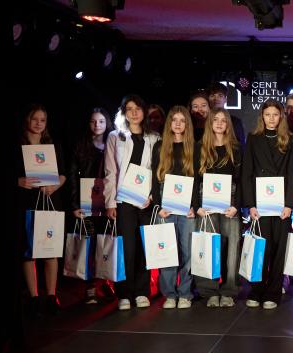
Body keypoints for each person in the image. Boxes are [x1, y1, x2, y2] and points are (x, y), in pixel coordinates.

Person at [104, 95, 161, 310]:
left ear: (144, 111)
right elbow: (110, 171)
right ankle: (125, 293)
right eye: (129, 109)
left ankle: (142, 291)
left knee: (144, 246)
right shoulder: (115, 137)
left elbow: (158, 170)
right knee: (126, 247)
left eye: (138, 108)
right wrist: (110, 202)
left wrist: (152, 196)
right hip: (124, 200)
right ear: (124, 112)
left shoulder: (154, 137)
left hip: (146, 200)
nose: (134, 112)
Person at [242, 99, 293, 309]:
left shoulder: (290, 139)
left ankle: (273, 293)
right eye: (267, 115)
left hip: (281, 204)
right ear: (262, 117)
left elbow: (292, 173)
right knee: (260, 249)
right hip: (260, 204)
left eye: (275, 114)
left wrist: (289, 204)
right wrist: (250, 205)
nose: (271, 118)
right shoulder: (253, 138)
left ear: (281, 116)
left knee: (279, 250)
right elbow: (247, 173)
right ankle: (256, 291)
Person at [15, 104, 67, 315]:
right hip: (27, 202)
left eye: (42, 120)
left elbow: (63, 173)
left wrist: (55, 186)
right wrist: (19, 181)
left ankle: (51, 296)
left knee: (50, 249)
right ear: (27, 120)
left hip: (49, 201)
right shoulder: (18, 145)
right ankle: (34, 297)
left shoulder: (52, 145)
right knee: (29, 251)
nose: (38, 123)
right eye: (34, 119)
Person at [150, 105, 200, 309]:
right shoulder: (160, 147)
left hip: (187, 207)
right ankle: (170, 294)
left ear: (187, 124)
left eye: (182, 120)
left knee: (188, 252)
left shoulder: (194, 147)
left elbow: (197, 181)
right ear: (169, 123)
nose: (178, 124)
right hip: (166, 205)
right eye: (174, 120)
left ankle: (185, 293)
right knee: (168, 251)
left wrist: (194, 206)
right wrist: (157, 206)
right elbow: (155, 179)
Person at [195, 108, 242, 308]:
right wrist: (196, 205)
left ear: (228, 124)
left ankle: (229, 291)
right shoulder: (200, 147)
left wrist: (237, 205)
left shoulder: (236, 148)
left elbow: (242, 180)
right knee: (209, 246)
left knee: (232, 247)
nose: (220, 123)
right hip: (205, 202)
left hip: (230, 201)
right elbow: (193, 178)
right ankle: (209, 290)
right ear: (210, 123)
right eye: (216, 119)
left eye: (224, 120)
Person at [69, 107, 115, 304]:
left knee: (105, 244)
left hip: (107, 202)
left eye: (101, 121)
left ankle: (104, 282)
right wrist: (74, 204)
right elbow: (72, 176)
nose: (97, 125)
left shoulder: (113, 143)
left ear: (107, 123)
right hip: (86, 203)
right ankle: (90, 287)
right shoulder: (80, 146)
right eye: (93, 121)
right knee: (89, 244)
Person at [207, 82, 247, 147]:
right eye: (212, 96)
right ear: (208, 99)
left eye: (220, 95)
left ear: (225, 99)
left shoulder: (235, 122)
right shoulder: (203, 120)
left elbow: (242, 147)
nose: (216, 99)